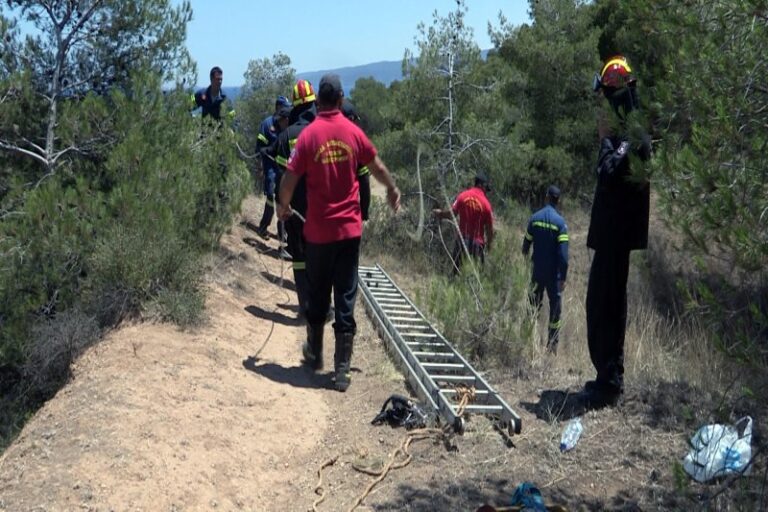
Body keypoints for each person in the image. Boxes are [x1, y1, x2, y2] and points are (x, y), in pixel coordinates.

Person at [277, 74, 400, 392]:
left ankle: (315, 355)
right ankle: (342, 370)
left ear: (319, 102)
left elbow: (288, 179)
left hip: (317, 233)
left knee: (318, 295)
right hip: (348, 233)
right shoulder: (353, 132)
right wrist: (392, 189)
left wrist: (283, 206)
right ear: (342, 100)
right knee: (345, 297)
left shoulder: (307, 137)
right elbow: (377, 167)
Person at [583, 54, 651, 408]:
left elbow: (609, 173)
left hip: (616, 237)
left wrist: (606, 139)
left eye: (605, 100)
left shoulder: (630, 136)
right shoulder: (630, 132)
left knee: (605, 306)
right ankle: (606, 377)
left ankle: (609, 382)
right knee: (603, 305)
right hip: (614, 237)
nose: (602, 109)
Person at [267, 79, 317, 320]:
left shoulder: (287, 135)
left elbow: (280, 177)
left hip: (297, 208)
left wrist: (280, 204)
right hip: (324, 208)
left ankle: (305, 306)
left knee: (299, 256)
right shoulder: (326, 130)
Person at [522, 185, 569, 353]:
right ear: (559, 200)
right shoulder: (560, 224)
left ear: (547, 197)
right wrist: (563, 276)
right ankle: (552, 345)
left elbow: (526, 246)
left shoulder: (534, 218)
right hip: (553, 274)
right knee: (555, 309)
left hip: (536, 271)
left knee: (532, 306)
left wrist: (525, 265)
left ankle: (527, 340)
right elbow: (563, 255)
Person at [432, 173, 494, 272]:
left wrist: (440, 214)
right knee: (477, 276)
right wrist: (489, 245)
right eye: (486, 188)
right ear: (482, 185)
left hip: (462, 241)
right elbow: (490, 230)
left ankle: (452, 284)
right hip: (477, 245)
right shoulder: (486, 205)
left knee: (456, 272)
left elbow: (451, 214)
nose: (486, 191)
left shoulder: (462, 196)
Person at [256, 96, 293, 239]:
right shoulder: (267, 124)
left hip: (283, 166)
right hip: (270, 165)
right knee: (272, 194)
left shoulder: (287, 124)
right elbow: (259, 147)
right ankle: (263, 227)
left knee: (283, 198)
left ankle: (282, 232)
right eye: (284, 107)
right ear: (278, 107)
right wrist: (260, 166)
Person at [341, 98, 372, 221]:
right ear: (351, 120)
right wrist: (364, 213)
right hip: (348, 212)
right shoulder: (357, 145)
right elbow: (364, 181)